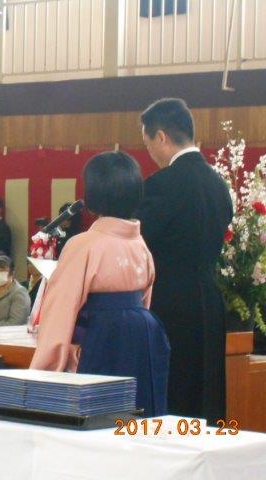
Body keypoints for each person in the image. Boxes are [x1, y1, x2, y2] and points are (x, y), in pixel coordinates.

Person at [30, 151, 171, 417]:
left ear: (93, 195)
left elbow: (61, 311)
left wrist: (44, 372)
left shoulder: (83, 245)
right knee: (139, 414)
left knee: (101, 419)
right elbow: (145, 301)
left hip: (101, 342)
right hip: (144, 338)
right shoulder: (140, 244)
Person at [137, 98, 233, 422]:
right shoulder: (218, 184)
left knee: (175, 396)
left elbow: (139, 243)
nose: (150, 152)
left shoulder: (162, 185)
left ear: (161, 137)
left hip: (170, 303)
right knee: (208, 394)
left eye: (148, 143)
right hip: (210, 301)